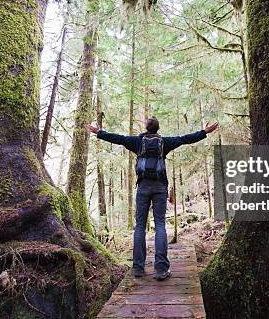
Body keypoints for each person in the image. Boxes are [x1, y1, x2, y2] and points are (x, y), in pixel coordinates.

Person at [86, 117, 219, 280]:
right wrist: (204, 132)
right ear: (158, 128)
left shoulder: (137, 141)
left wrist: (99, 132)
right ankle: (161, 269)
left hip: (143, 187)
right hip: (160, 186)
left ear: (146, 128)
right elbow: (185, 139)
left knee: (140, 226)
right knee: (160, 225)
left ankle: (138, 268)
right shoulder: (165, 142)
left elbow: (118, 139)